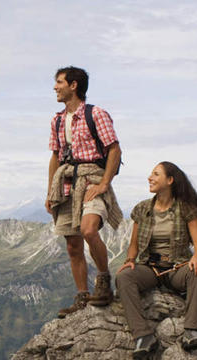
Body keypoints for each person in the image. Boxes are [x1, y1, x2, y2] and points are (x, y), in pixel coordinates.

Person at [45, 66, 123, 318]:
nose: (55, 87)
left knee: (88, 229)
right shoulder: (57, 120)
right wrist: (50, 191)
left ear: (73, 85)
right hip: (67, 182)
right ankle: (81, 296)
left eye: (59, 82)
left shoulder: (96, 114)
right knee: (72, 246)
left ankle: (103, 281)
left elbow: (114, 149)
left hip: (91, 179)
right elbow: (55, 156)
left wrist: (104, 184)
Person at [115, 161, 197, 358]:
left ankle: (191, 332)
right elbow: (133, 244)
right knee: (124, 277)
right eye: (151, 174)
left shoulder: (185, 208)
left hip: (177, 266)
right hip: (150, 267)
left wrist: (196, 258)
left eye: (156, 174)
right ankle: (143, 336)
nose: (150, 178)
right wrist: (130, 259)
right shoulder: (142, 209)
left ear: (170, 180)